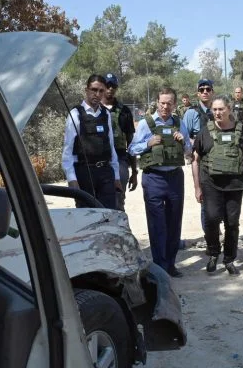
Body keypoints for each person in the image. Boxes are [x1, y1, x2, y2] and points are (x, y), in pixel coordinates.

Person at [129, 87, 192, 277]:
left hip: (174, 177)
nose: (165, 107)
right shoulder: (145, 124)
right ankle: (160, 267)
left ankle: (171, 264)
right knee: (157, 223)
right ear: (157, 103)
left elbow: (189, 151)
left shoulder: (179, 124)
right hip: (153, 178)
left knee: (174, 222)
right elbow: (132, 149)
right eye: (162, 103)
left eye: (169, 103)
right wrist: (147, 144)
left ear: (174, 104)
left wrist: (183, 142)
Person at [191, 94, 243, 275]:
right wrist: (197, 187)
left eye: (221, 109)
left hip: (235, 184)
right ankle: (213, 253)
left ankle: (229, 259)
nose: (218, 113)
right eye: (215, 110)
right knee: (211, 219)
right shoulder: (205, 131)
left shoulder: (241, 130)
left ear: (229, 110)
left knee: (232, 223)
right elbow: (196, 160)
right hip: (211, 184)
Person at [62, 74, 122, 209]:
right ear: (86, 90)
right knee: (87, 218)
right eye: (94, 90)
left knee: (108, 216)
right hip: (84, 173)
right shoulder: (75, 114)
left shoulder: (106, 114)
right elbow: (68, 152)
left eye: (101, 91)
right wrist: (72, 181)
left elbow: (111, 146)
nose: (97, 94)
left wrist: (116, 176)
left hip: (106, 173)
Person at [183, 79, 215, 233]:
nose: (205, 92)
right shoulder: (191, 113)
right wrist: (197, 142)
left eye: (208, 89)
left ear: (212, 92)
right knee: (205, 200)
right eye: (201, 90)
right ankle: (210, 237)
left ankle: (217, 231)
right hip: (201, 162)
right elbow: (183, 136)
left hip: (220, 161)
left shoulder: (219, 110)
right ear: (198, 93)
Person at [102, 73, 137, 211]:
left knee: (118, 200)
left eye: (113, 86)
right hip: (100, 161)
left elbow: (131, 143)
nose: (110, 89)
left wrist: (134, 172)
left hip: (120, 158)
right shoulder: (94, 109)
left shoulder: (124, 111)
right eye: (107, 85)